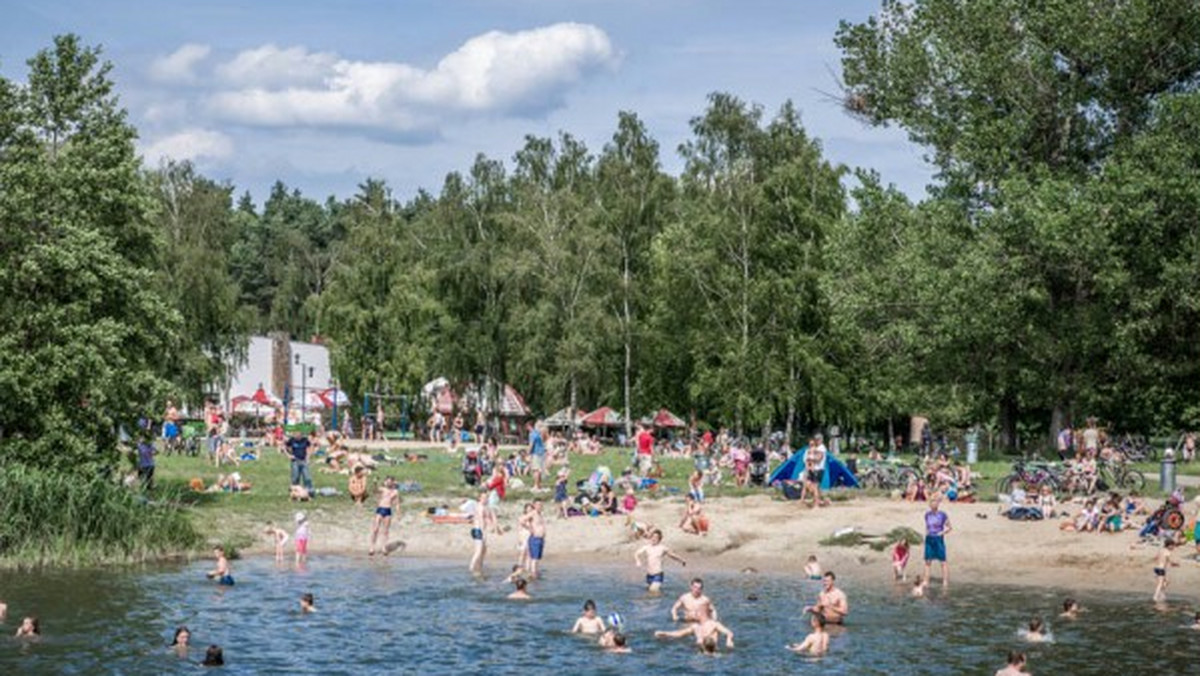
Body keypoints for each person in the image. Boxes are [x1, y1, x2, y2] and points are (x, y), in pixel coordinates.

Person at [655, 602, 734, 652]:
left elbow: (729, 632)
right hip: (700, 651)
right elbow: (679, 634)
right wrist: (664, 633)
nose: (694, 614)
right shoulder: (696, 627)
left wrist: (729, 640)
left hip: (714, 651)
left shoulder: (714, 624)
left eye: (696, 612)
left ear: (702, 614)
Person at [635, 529, 687, 594]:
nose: (654, 539)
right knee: (651, 592)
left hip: (658, 574)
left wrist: (681, 560)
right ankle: (662, 596)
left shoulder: (662, 548)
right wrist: (638, 560)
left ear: (659, 539)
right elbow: (637, 553)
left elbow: (672, 556)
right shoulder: (647, 547)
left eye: (656, 537)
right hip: (649, 575)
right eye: (653, 537)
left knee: (652, 591)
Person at [923, 495, 952, 587]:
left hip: (938, 539)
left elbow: (950, 528)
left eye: (935, 502)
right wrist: (927, 533)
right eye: (931, 502)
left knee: (943, 561)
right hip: (929, 539)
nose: (933, 503)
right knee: (928, 561)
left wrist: (942, 533)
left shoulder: (942, 514)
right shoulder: (927, 515)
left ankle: (945, 582)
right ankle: (926, 580)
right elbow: (927, 527)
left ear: (938, 503)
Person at [369, 477, 400, 556]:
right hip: (380, 510)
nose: (388, 483)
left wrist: (398, 513)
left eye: (390, 482)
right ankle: (372, 547)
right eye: (387, 482)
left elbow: (396, 503)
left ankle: (384, 547)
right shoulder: (383, 489)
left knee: (385, 531)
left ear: (393, 483)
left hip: (388, 511)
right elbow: (375, 490)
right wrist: (375, 483)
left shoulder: (395, 492)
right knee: (375, 529)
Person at [519, 499, 547, 579]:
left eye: (541, 505)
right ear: (534, 505)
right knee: (534, 558)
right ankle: (533, 574)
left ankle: (535, 573)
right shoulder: (533, 513)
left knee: (537, 558)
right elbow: (521, 520)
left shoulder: (540, 514)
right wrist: (529, 528)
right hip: (535, 538)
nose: (540, 506)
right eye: (538, 505)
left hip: (540, 539)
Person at [285, 430, 314, 496]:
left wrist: (308, 456)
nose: (297, 435)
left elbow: (310, 446)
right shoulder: (292, 440)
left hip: (304, 460)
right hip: (295, 461)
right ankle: (294, 493)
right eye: (295, 434)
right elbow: (284, 447)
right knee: (295, 477)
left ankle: (309, 492)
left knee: (307, 477)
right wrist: (289, 455)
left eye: (298, 434)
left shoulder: (305, 440)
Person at [469, 490, 490, 576]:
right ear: (480, 498)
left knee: (484, 550)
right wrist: (483, 533)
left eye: (486, 497)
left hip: (478, 530)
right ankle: (471, 568)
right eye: (484, 498)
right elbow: (481, 520)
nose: (486, 499)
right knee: (478, 550)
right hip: (478, 530)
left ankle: (479, 566)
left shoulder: (483, 507)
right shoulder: (480, 507)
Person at [803, 436, 828, 508]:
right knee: (811, 485)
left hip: (818, 469)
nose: (816, 441)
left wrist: (811, 459)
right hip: (814, 469)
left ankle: (817, 504)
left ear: (820, 440)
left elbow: (819, 458)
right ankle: (819, 501)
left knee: (815, 486)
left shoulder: (821, 448)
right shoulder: (817, 448)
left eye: (817, 440)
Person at [528, 421, 547, 491]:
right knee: (540, 470)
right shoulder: (539, 434)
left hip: (536, 453)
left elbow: (531, 444)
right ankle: (539, 485)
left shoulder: (533, 434)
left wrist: (528, 453)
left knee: (536, 470)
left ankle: (536, 485)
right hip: (542, 453)